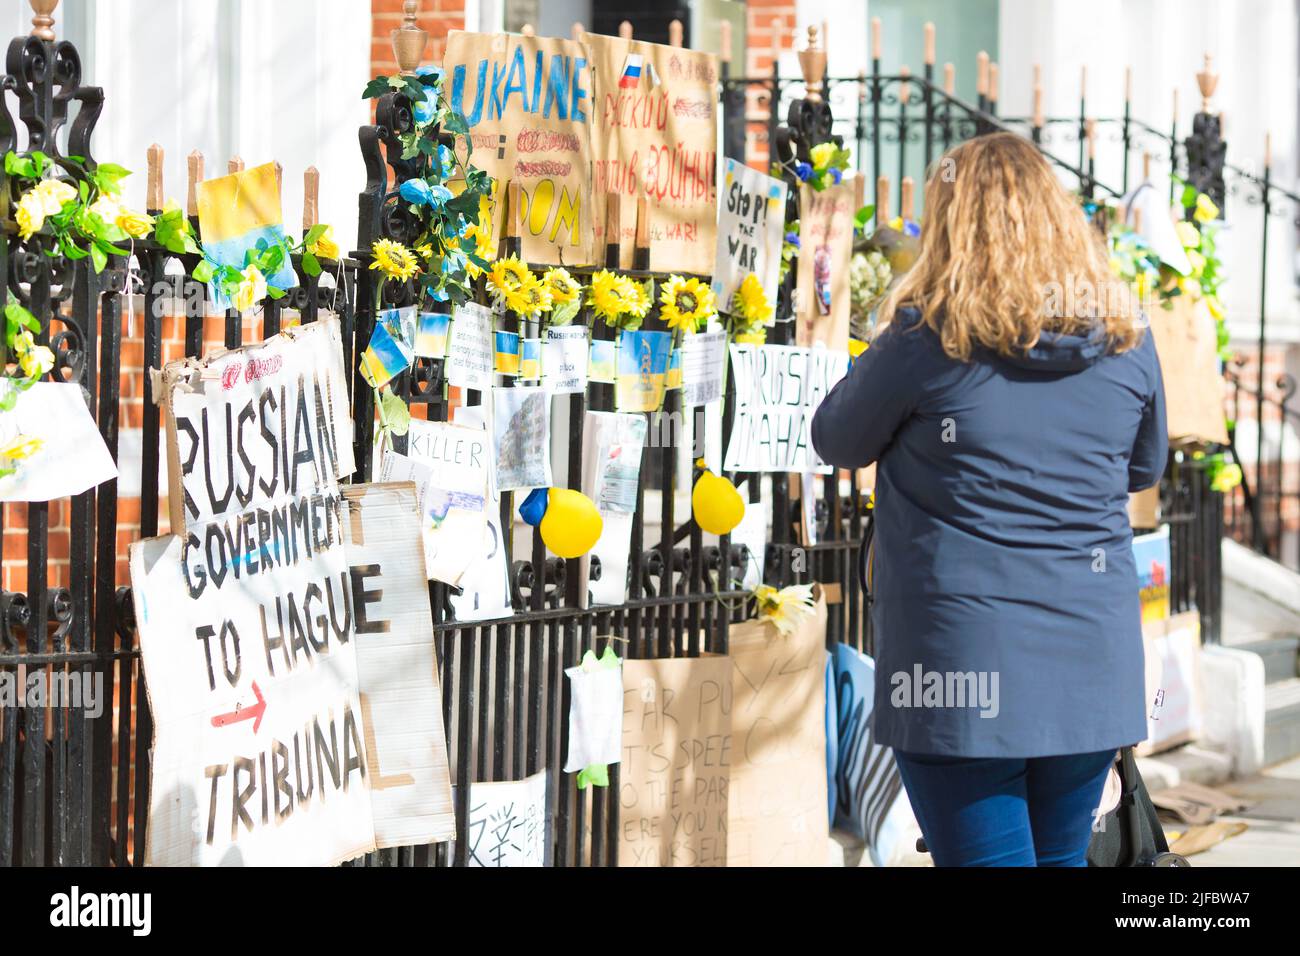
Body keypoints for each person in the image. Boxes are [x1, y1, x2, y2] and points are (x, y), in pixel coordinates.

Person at [811, 132, 1168, 867]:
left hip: (955, 669)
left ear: (951, 224)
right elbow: (1143, 467)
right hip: (1087, 665)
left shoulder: (928, 338)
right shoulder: (1128, 338)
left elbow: (837, 438)